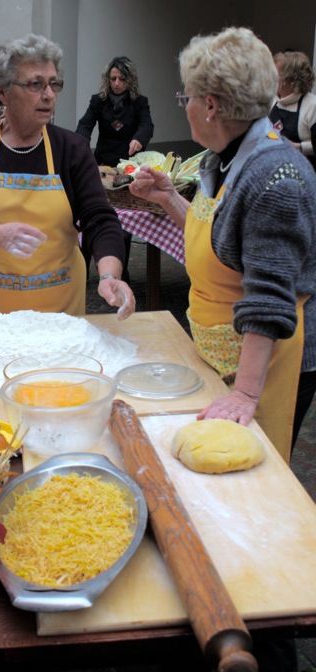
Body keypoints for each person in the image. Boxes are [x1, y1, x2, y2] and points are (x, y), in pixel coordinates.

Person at [131, 26, 316, 466]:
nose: (186, 106)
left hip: (272, 359)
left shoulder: (276, 177)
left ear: (211, 106)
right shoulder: (225, 156)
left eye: (187, 97)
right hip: (224, 346)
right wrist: (169, 198)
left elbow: (269, 295)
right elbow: (219, 237)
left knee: (256, 474)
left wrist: (246, 394)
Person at [0, 34, 135, 323]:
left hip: (58, 318)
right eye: (36, 84)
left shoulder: (71, 150)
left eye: (54, 83)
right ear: (2, 92)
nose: (49, 94)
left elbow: (100, 220)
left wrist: (109, 274)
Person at [75, 56, 154, 280]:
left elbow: (147, 124)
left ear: (130, 80)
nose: (116, 83)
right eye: (113, 78)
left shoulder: (139, 102)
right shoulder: (98, 101)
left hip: (128, 167)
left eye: (121, 79)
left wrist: (139, 138)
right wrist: (80, 145)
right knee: (92, 214)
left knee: (122, 223)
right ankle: (83, 267)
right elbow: (85, 124)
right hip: (102, 164)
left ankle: (121, 270)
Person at [270, 50, 316, 170]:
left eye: (276, 74)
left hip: (305, 173)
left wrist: (299, 147)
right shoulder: (272, 102)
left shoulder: (312, 105)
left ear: (290, 79)